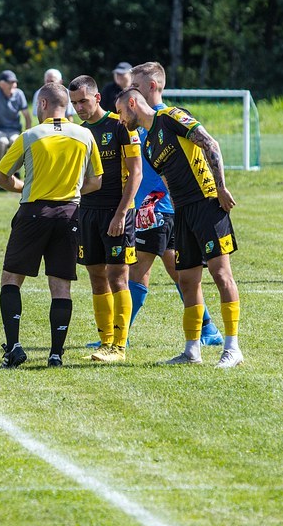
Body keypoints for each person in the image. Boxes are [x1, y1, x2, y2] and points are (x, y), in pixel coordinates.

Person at [116, 85, 244, 369]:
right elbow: (167, 182)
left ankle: (232, 348)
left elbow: (210, 143)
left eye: (121, 112)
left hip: (207, 204)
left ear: (133, 103)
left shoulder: (171, 117)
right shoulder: (148, 146)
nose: (121, 119)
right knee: (187, 280)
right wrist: (155, 206)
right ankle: (191, 351)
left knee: (221, 273)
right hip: (181, 213)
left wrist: (221, 188)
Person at [0, 83, 103, 368]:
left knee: (11, 279)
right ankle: (55, 354)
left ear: (42, 104)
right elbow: (96, 181)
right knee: (61, 285)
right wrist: (72, 192)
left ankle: (14, 347)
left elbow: (0, 176)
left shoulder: (30, 135)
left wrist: (23, 187)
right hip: (69, 214)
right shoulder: (85, 135)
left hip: (33, 212)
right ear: (66, 104)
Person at [126, 61, 224, 347]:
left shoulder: (169, 118)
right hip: (158, 209)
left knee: (138, 271)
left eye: (136, 86)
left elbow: (199, 152)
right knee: (179, 273)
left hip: (159, 209)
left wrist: (216, 188)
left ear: (152, 86)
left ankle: (119, 337)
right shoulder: (142, 122)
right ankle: (208, 329)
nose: (132, 91)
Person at [67, 75, 142, 363]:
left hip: (117, 211)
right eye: (74, 103)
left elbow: (136, 173)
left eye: (83, 101)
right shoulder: (79, 132)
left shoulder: (120, 125)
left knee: (118, 277)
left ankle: (119, 347)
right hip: (88, 212)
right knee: (96, 277)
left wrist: (121, 213)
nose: (79, 108)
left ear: (97, 98)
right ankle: (105, 342)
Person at [0, 70, 32, 166]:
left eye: (14, 82)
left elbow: (27, 116)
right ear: (1, 84)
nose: (13, 85)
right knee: (2, 142)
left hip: (14, 130)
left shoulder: (19, 94)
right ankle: (0, 171)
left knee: (15, 141)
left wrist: (27, 136)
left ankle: (14, 170)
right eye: (10, 82)